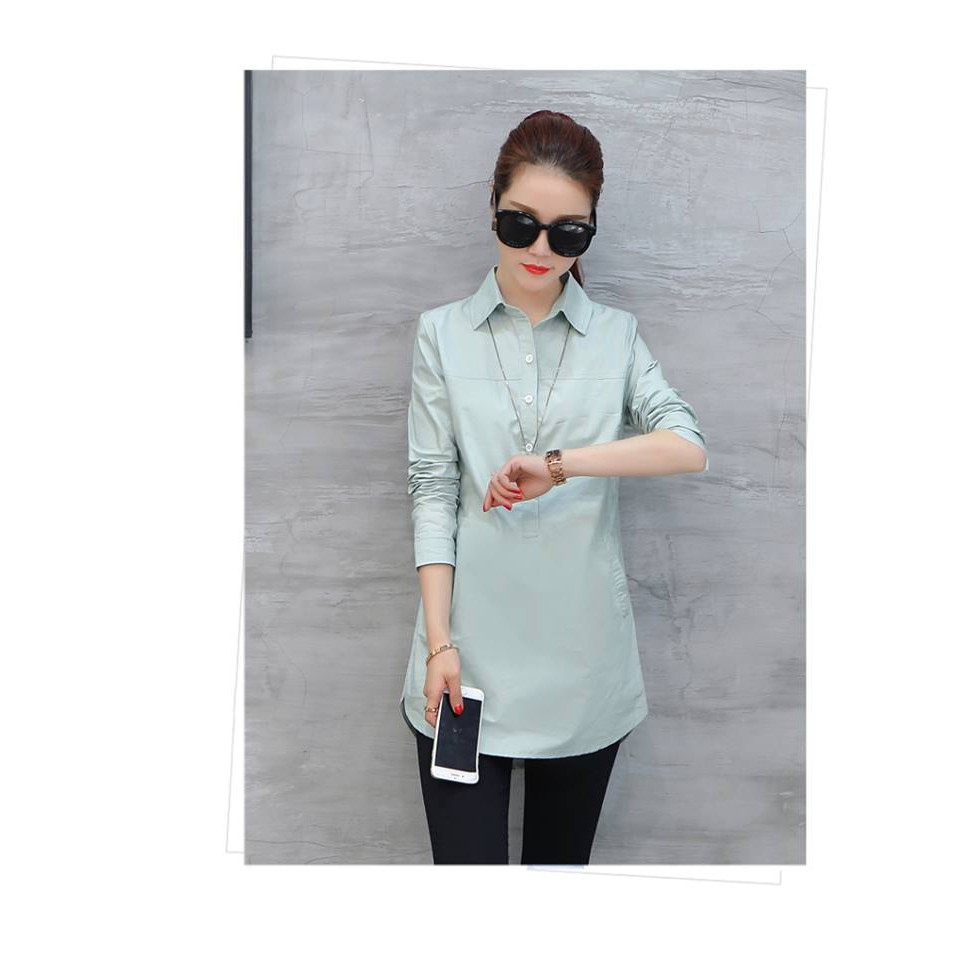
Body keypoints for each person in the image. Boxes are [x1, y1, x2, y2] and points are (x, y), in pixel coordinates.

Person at [398, 110, 709, 865]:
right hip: (464, 662)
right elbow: (432, 488)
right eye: (521, 225)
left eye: (567, 234)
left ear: (589, 232)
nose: (540, 250)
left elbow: (687, 447)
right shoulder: (441, 334)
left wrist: (562, 465)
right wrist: (440, 645)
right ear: (492, 211)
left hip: (583, 670)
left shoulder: (617, 336)